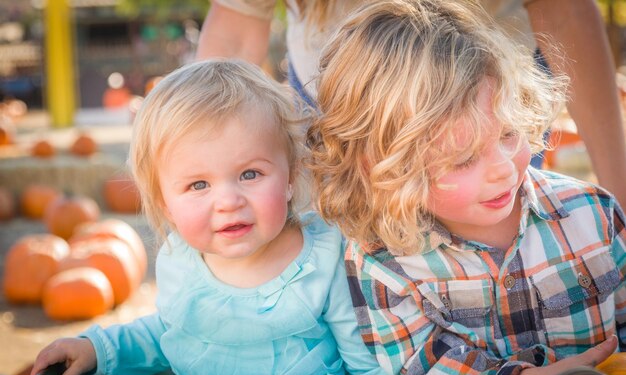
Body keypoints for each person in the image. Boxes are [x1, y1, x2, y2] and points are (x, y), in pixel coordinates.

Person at [29, 59, 414, 375]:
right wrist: (97, 349)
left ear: (291, 176)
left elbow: (364, 358)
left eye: (250, 174)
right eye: (199, 184)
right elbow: (165, 331)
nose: (229, 201)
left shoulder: (324, 254)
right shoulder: (180, 260)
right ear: (165, 204)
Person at [307, 1, 626, 375]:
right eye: (462, 160)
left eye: (509, 134)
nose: (501, 169)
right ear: (384, 168)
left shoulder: (592, 213)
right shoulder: (384, 262)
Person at [196, 0, 626, 210]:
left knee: (495, 247)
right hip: (343, 104)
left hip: (483, 93)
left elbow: (565, 9)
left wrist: (618, 188)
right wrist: (203, 170)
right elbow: (235, 29)